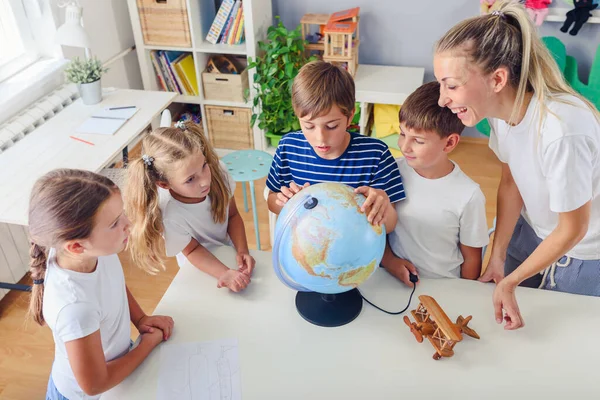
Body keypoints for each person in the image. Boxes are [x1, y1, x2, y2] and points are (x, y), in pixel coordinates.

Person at [434, 2, 600, 330]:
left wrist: (511, 282)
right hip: (530, 231)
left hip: (580, 254)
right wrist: (498, 253)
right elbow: (511, 183)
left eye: (451, 85)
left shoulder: (562, 130)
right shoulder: (500, 113)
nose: (442, 99)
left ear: (497, 79)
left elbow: (573, 228)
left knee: (560, 338)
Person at [28, 169, 173, 399]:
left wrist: (141, 319)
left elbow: (113, 285)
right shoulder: (75, 309)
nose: (128, 223)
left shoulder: (93, 251)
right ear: (76, 246)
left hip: (115, 365)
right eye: (115, 222)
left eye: (122, 213)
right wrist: (146, 344)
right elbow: (95, 384)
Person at [266, 60, 405, 233]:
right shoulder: (288, 148)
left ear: (350, 116)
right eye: (309, 126)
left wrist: (383, 204)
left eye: (331, 126)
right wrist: (289, 203)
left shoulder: (376, 155)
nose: (320, 139)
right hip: (302, 250)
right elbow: (271, 199)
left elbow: (390, 226)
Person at [126, 122, 254, 292]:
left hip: (226, 252)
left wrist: (242, 249)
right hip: (197, 269)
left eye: (203, 166)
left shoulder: (218, 173)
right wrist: (224, 273)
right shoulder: (169, 213)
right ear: (164, 184)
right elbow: (192, 250)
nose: (204, 181)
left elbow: (233, 216)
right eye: (190, 179)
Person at [384, 81, 490, 285]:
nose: (404, 146)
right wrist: (390, 262)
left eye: (418, 141)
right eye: (403, 134)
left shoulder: (469, 195)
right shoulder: (391, 171)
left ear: (449, 143)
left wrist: (465, 293)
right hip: (393, 279)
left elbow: (471, 259)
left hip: (444, 286)